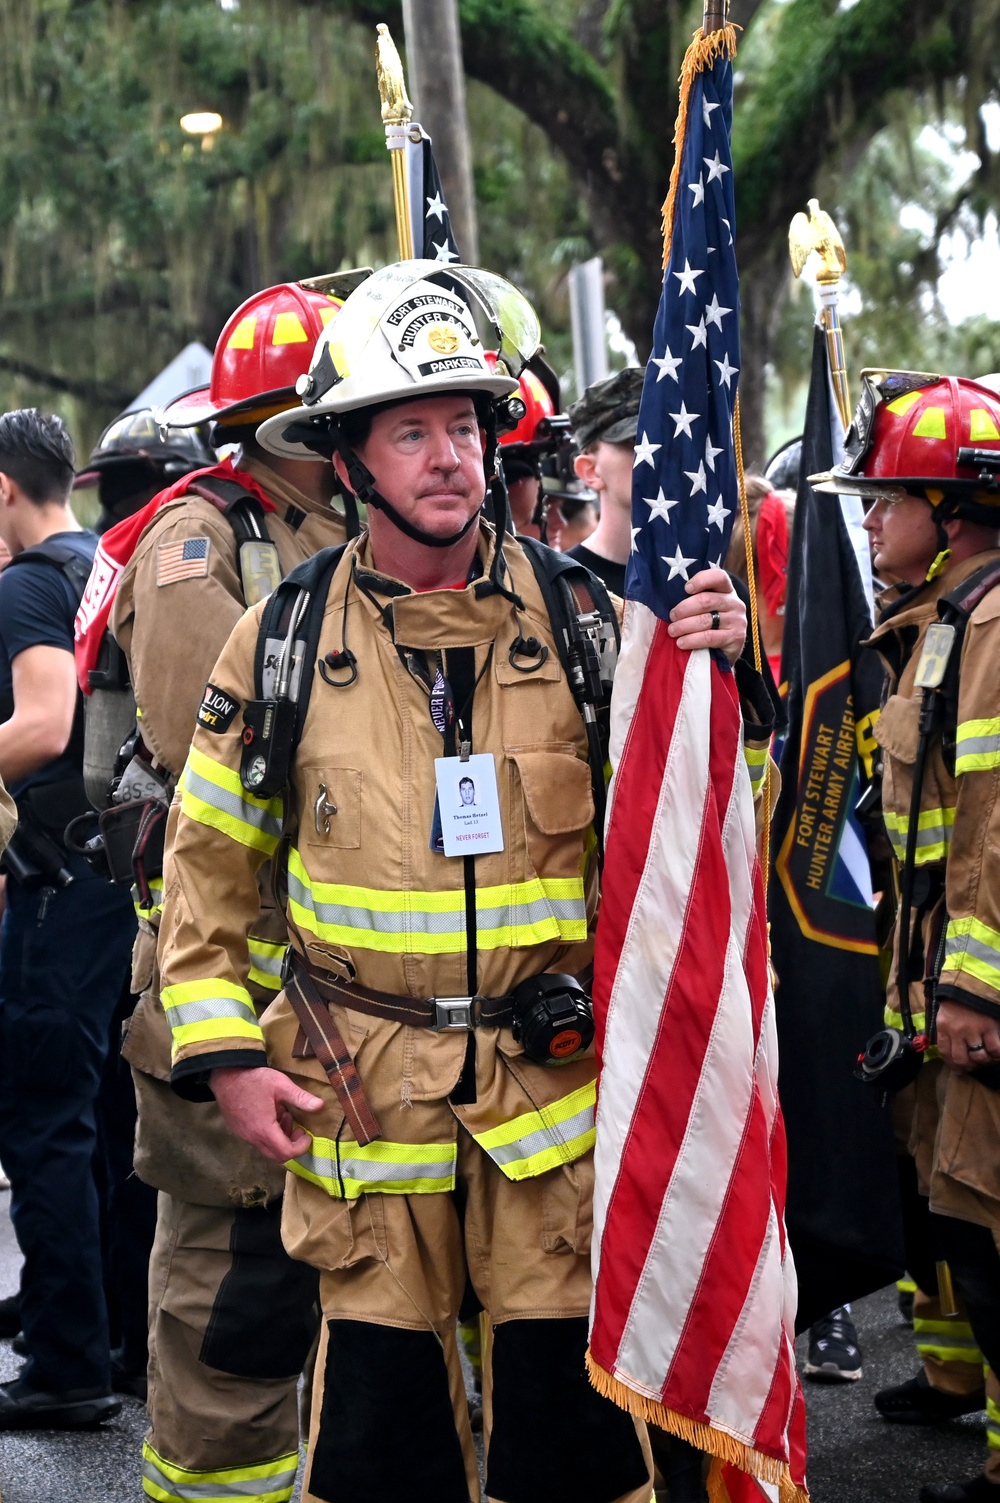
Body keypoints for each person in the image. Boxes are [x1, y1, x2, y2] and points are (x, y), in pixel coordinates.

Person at [155, 261, 755, 1503]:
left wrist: (718, 678)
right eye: (413, 429)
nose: (450, 456)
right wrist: (225, 1056)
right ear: (349, 461)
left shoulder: (591, 623)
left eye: (468, 425)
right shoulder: (277, 640)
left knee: (575, 1449)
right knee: (379, 1451)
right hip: (361, 1115)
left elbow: (695, 842)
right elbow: (206, 870)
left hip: (555, 1110)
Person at [100, 280, 351, 1503]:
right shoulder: (198, 541)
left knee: (342, 1303)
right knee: (230, 1308)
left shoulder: (337, 532)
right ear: (292, 429)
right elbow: (222, 766)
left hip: (352, 990)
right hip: (230, 987)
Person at [813, 369, 1000, 1503]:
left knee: (990, 1230)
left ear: (955, 512)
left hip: (975, 1001)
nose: (870, 519)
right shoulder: (940, 624)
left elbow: (991, 828)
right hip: (930, 989)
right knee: (956, 1223)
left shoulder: (991, 626)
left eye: (888, 499)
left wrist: (976, 994)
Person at [0, 408, 136, 1428]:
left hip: (54, 878)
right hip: (114, 877)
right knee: (99, 1121)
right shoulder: (99, 563)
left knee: (44, 1120)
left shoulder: (23, 585)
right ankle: (101, 1332)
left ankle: (66, 1364)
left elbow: (43, 724)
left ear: (7, 490)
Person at [566, 366, 646, 596]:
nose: (654, 454)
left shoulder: (714, 585)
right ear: (590, 471)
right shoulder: (558, 587)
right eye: (636, 442)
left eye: (668, 440)